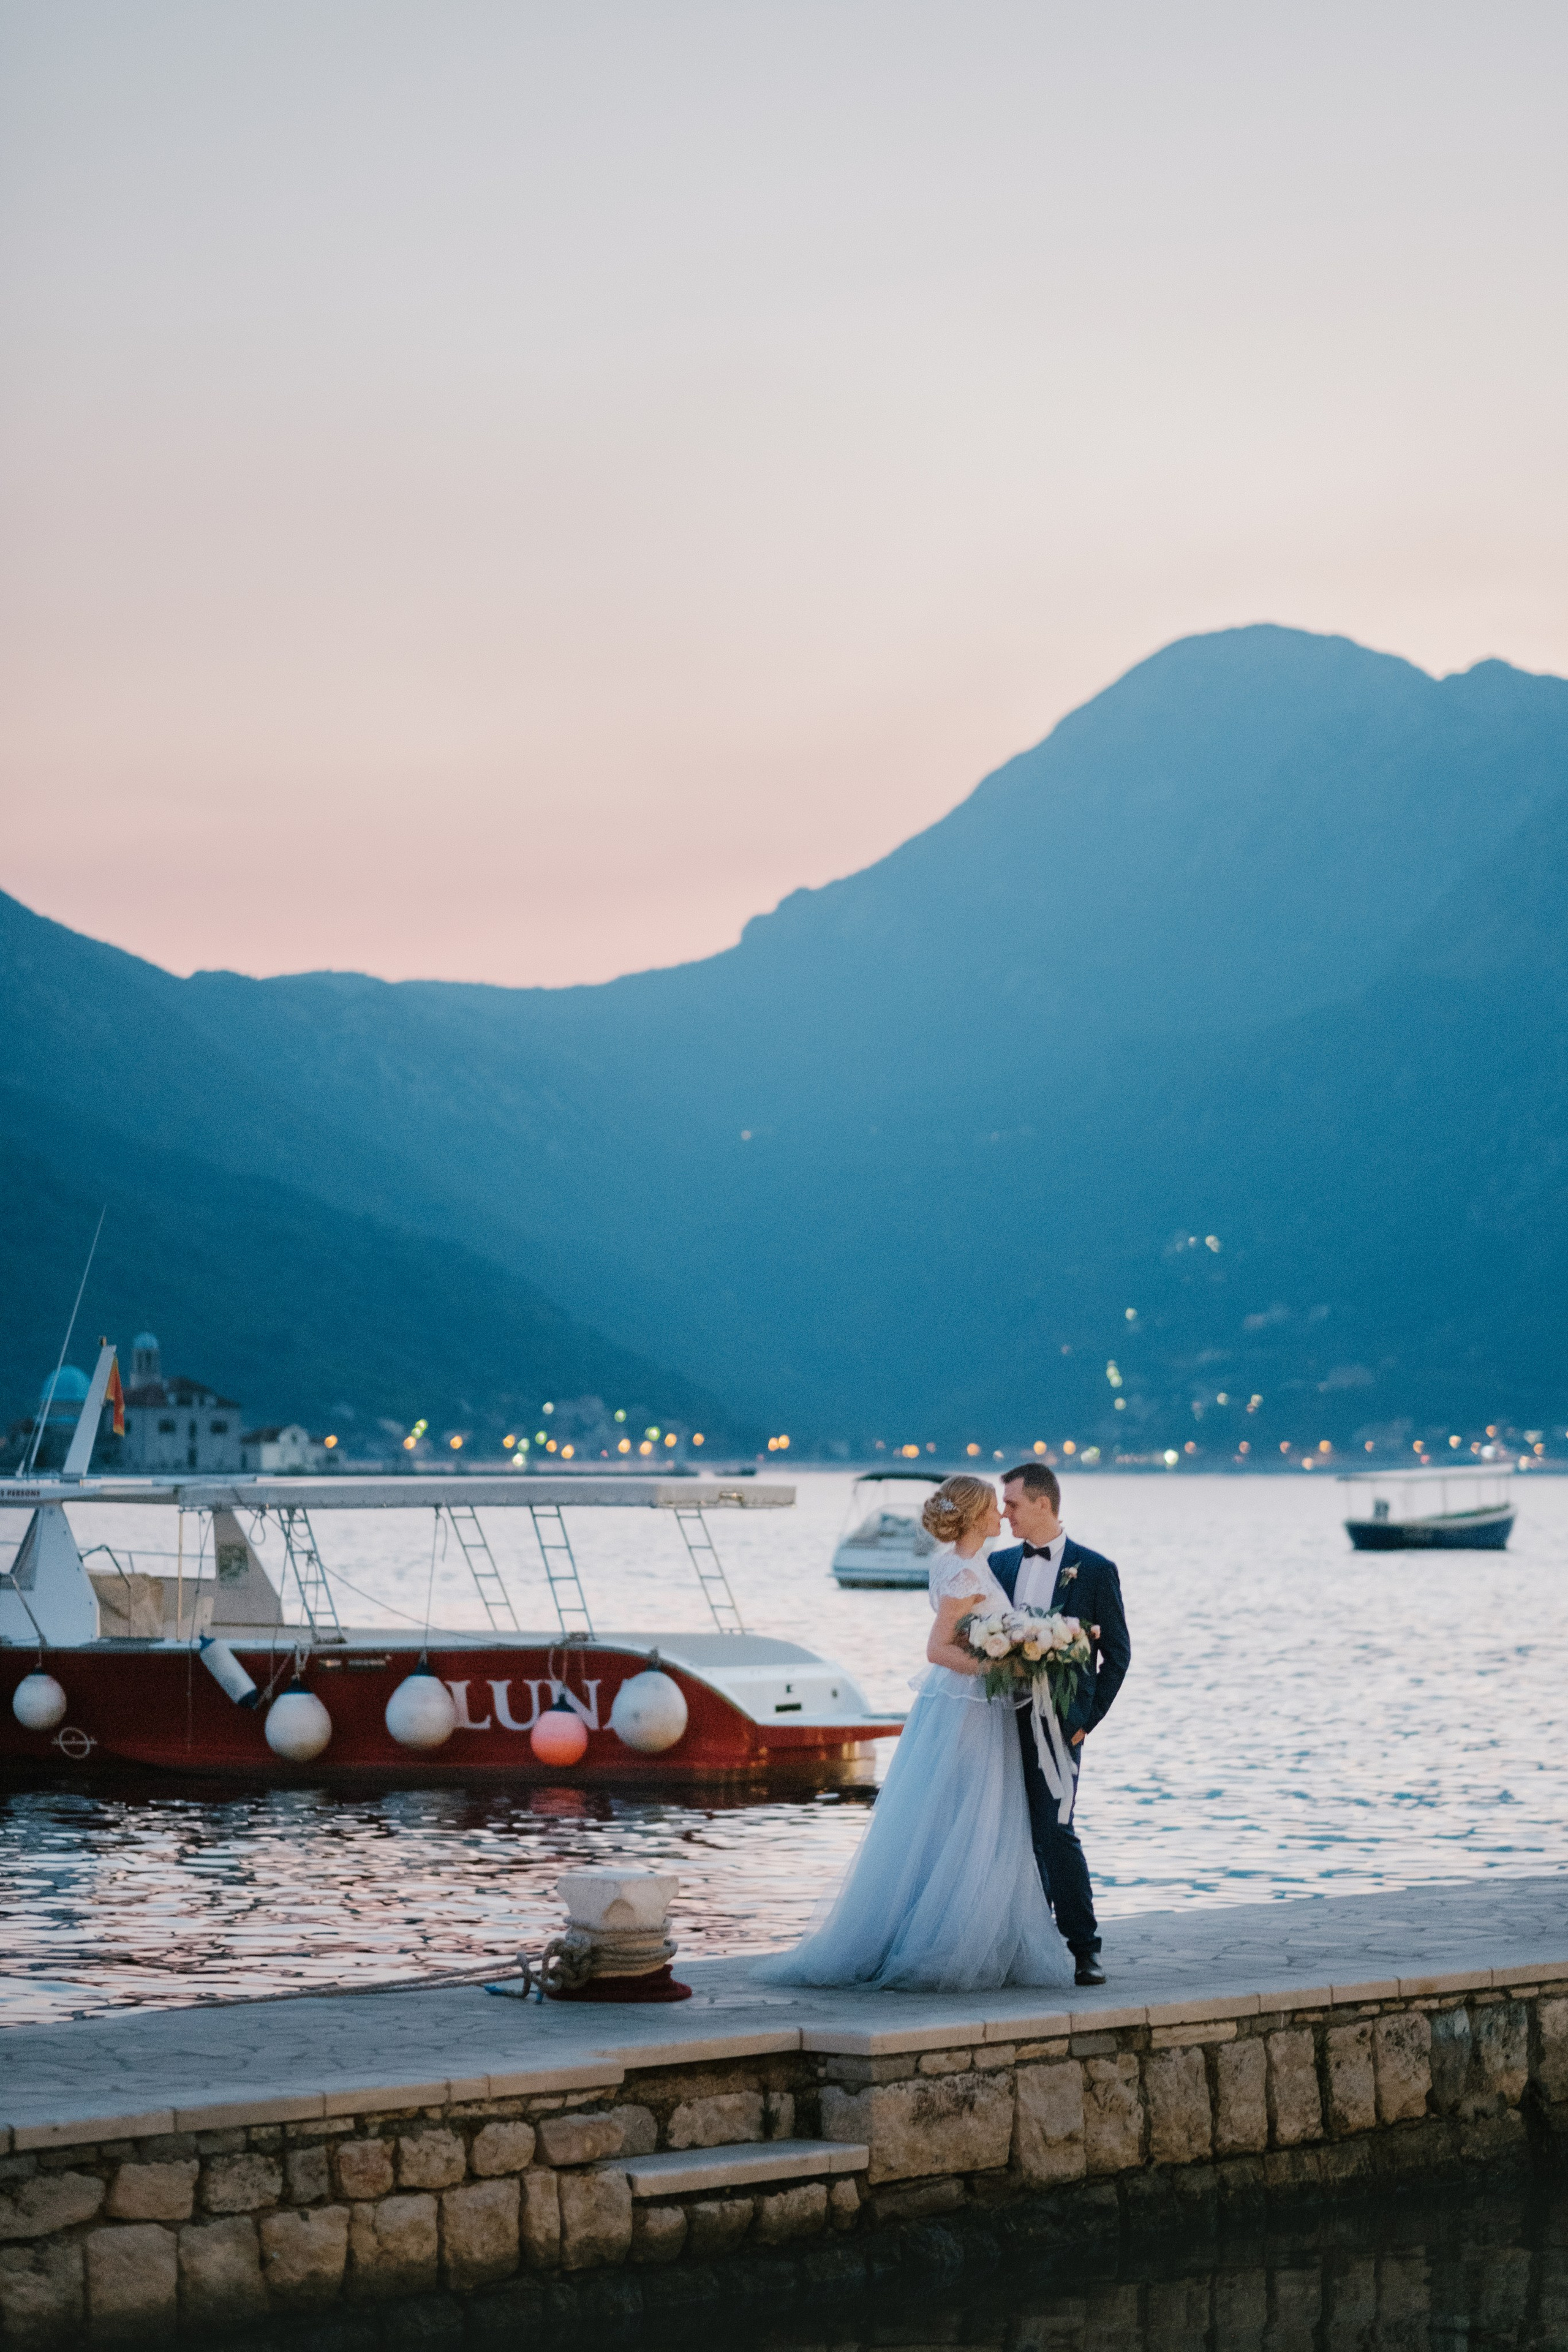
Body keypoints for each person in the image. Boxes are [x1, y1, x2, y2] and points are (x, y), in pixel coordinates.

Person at [753, 1475, 1071, 1992]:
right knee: (971, 1815)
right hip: (968, 1710)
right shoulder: (965, 1574)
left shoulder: (960, 1566)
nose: (1001, 1516)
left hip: (965, 1707)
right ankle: (945, 1941)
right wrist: (1007, 1669)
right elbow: (938, 1650)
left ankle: (961, 1931)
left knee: (954, 1815)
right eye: (994, 1508)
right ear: (973, 1517)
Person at [988, 1462, 1131, 1986]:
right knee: (1006, 1832)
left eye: (1013, 1504)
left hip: (1059, 1726)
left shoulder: (1094, 1570)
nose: (1005, 1514)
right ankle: (1021, 1945)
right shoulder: (998, 1565)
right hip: (998, 1722)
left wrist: (1085, 1721)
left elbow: (1116, 1654)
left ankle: (1083, 1947)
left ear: (1043, 1504)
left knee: (1055, 1832)